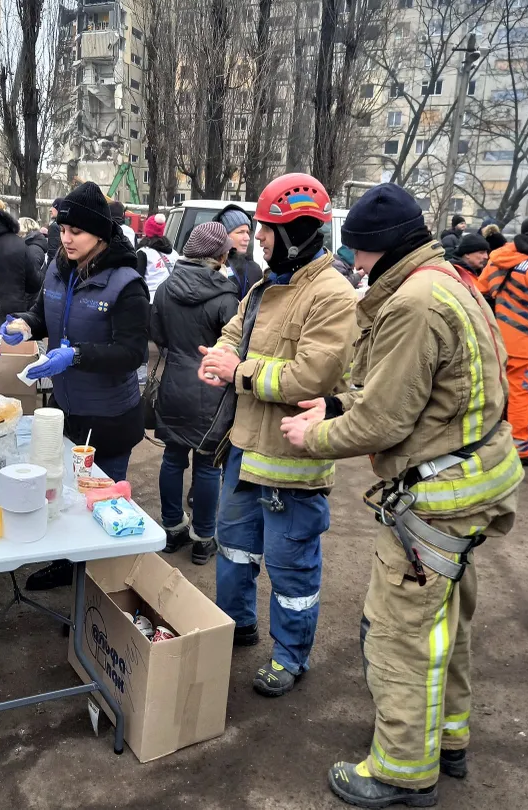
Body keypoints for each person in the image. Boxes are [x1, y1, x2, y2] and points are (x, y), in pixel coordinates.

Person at [280, 182, 522, 808]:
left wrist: (317, 432)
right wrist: (337, 401)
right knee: (445, 624)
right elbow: (419, 394)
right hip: (471, 486)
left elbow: (384, 422)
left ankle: (400, 772)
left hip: (437, 497)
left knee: (400, 636)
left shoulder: (414, 304)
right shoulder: (447, 282)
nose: (353, 265)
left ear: (383, 249)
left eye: (358, 253)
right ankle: (447, 739)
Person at [198, 173, 357, 697]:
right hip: (244, 451)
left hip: (291, 463)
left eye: (266, 231)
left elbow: (309, 377)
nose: (258, 240)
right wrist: (218, 357)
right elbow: (233, 332)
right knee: (235, 550)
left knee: (291, 574)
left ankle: (290, 657)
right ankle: (235, 626)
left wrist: (237, 370)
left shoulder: (331, 295)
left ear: (296, 232)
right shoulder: (266, 286)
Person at [0, 181, 150, 590]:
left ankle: (104, 584)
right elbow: (43, 313)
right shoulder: (58, 268)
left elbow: (132, 352)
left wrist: (77, 355)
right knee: (68, 493)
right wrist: (24, 324)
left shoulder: (125, 283)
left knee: (103, 501)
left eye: (75, 232)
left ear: (99, 235)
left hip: (110, 417)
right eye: (62, 230)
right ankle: (71, 567)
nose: (65, 238)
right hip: (68, 408)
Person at [151, 221, 239, 565]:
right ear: (219, 255)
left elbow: (158, 334)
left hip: (174, 383)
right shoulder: (227, 295)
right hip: (212, 388)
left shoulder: (164, 288)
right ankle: (203, 538)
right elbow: (234, 347)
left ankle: (172, 529)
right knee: (206, 467)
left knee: (172, 458)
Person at [478, 216, 528, 465]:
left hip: (497, 339)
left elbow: (481, 290)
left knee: (496, 392)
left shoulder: (499, 259)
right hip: (526, 345)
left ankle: (488, 438)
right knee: (522, 396)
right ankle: (519, 449)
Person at [213, 205, 262, 299]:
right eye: (240, 232)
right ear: (224, 235)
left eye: (248, 232)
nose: (247, 238)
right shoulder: (213, 267)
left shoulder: (255, 268)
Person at [136, 214, 179, 304]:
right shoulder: (174, 254)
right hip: (170, 301)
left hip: (150, 301)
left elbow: (137, 281)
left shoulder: (143, 252)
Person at [47, 198, 63, 265]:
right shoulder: (65, 224)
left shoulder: (54, 226)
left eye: (53, 207)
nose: (50, 210)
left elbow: (52, 252)